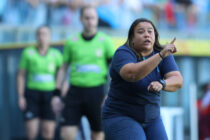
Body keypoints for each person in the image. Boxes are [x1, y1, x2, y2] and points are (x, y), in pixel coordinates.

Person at [102, 18, 183, 140]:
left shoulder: (162, 53)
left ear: (155, 36)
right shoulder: (123, 53)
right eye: (141, 32)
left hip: (152, 119)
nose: (146, 34)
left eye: (150, 31)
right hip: (121, 116)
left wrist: (162, 83)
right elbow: (131, 74)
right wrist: (160, 56)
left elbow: (177, 80)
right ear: (132, 38)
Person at [51, 5, 115, 140]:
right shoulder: (72, 41)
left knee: (97, 135)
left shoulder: (105, 41)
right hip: (75, 92)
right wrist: (56, 93)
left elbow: (114, 70)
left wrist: (110, 93)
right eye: (86, 18)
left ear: (97, 19)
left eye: (92, 18)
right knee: (66, 134)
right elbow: (63, 68)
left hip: (96, 93)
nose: (90, 21)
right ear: (80, 19)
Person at [17, 25, 63, 140]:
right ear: (36, 36)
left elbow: (61, 75)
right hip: (32, 95)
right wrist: (21, 96)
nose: (42, 37)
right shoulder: (28, 53)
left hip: (50, 96)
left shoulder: (56, 55)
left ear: (50, 37)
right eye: (39, 34)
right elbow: (21, 75)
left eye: (45, 34)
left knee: (48, 132)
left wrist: (59, 95)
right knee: (31, 132)